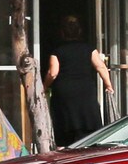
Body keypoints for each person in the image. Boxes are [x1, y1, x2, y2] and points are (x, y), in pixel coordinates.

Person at [45, 15, 112, 145]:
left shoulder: (57, 51)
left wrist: (44, 86)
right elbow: (101, 67)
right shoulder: (89, 49)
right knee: (88, 124)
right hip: (85, 91)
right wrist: (108, 85)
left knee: (65, 125)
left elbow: (52, 73)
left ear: (62, 32)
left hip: (64, 93)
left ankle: (65, 148)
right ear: (79, 31)